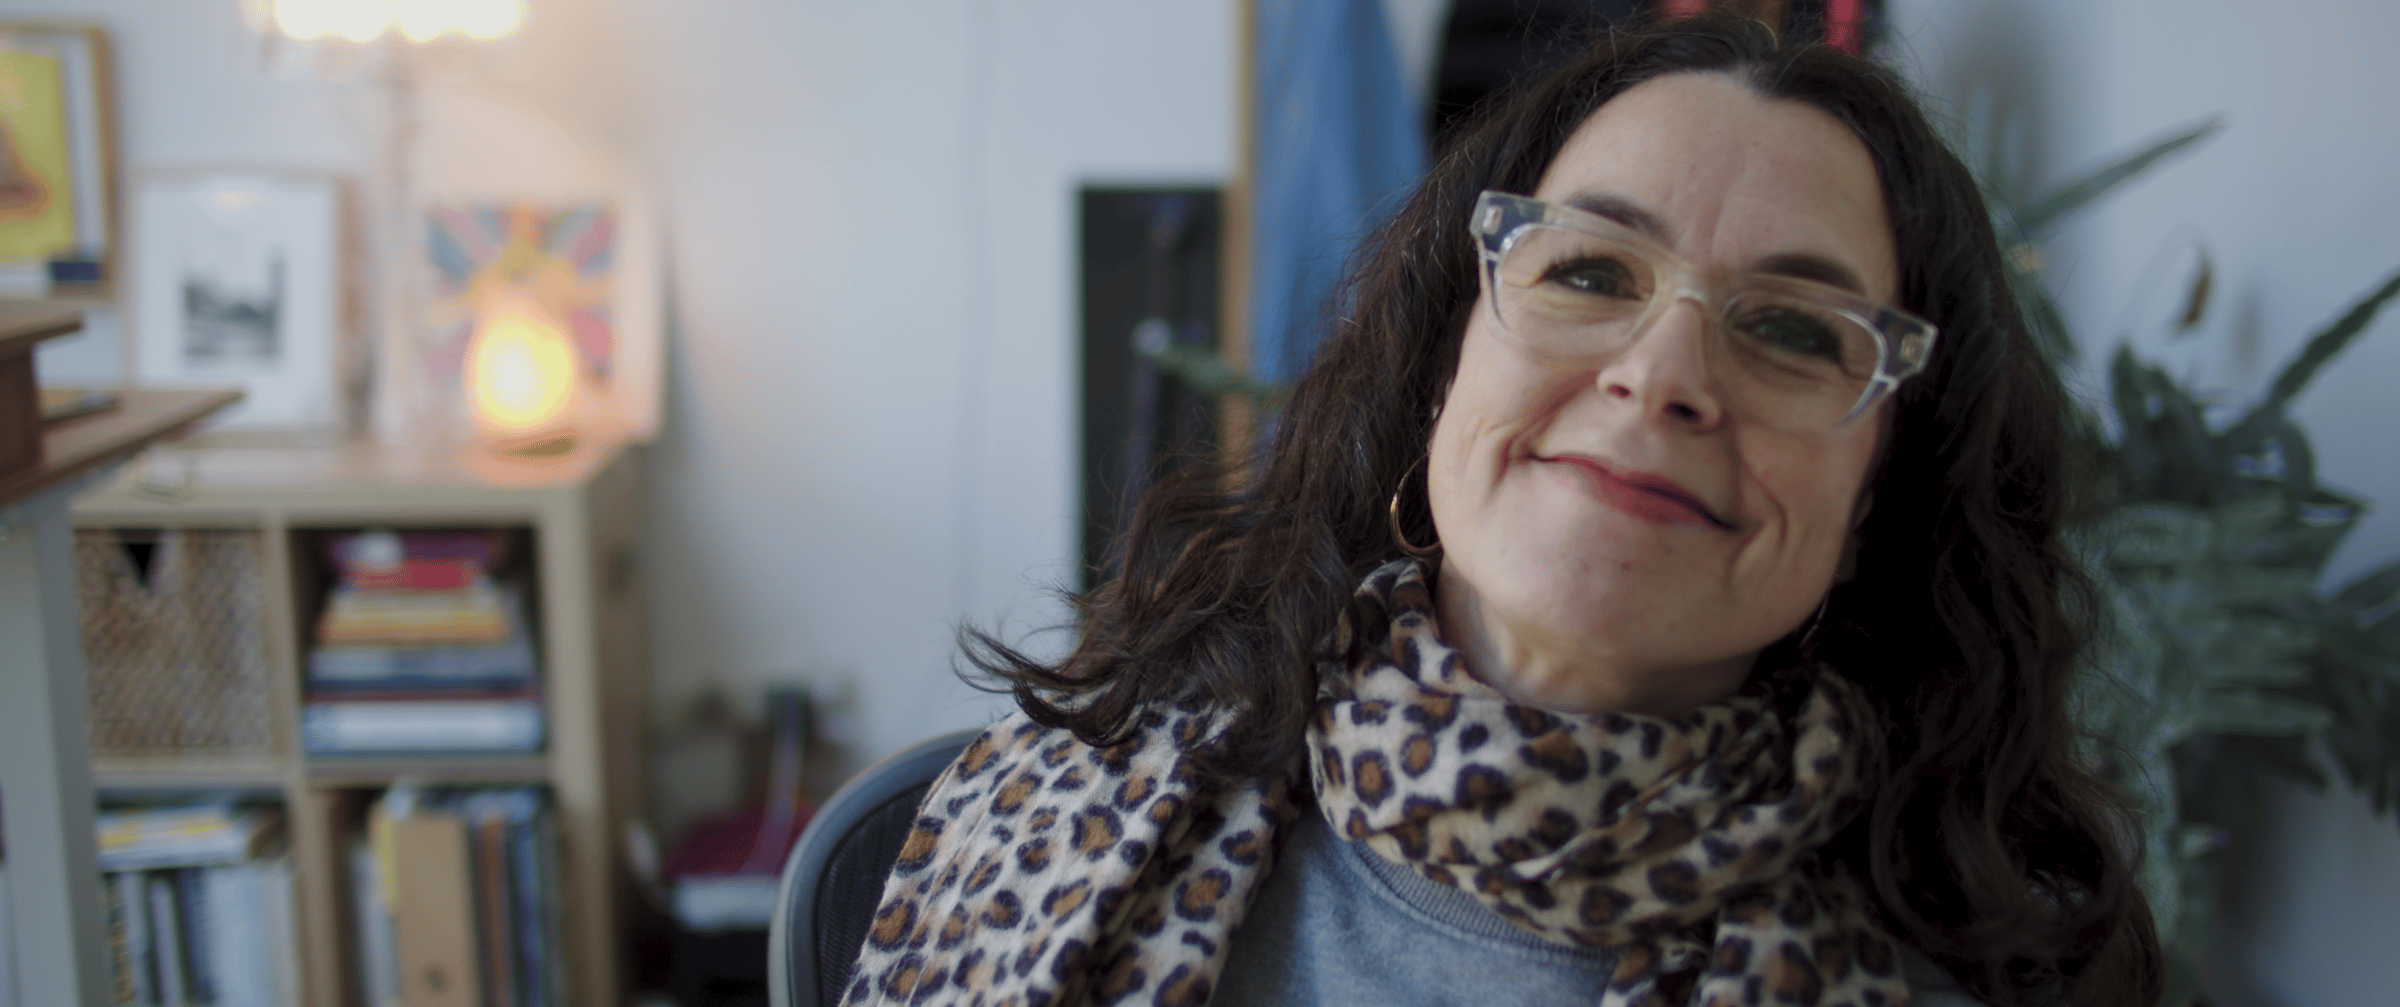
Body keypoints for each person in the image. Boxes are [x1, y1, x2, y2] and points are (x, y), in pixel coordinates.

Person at [843, 15, 2161, 1007]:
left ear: (1881, 490)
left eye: (1793, 331)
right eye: (1590, 266)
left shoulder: (1974, 977)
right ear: (1439, 367)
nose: (1661, 375)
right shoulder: (1053, 805)